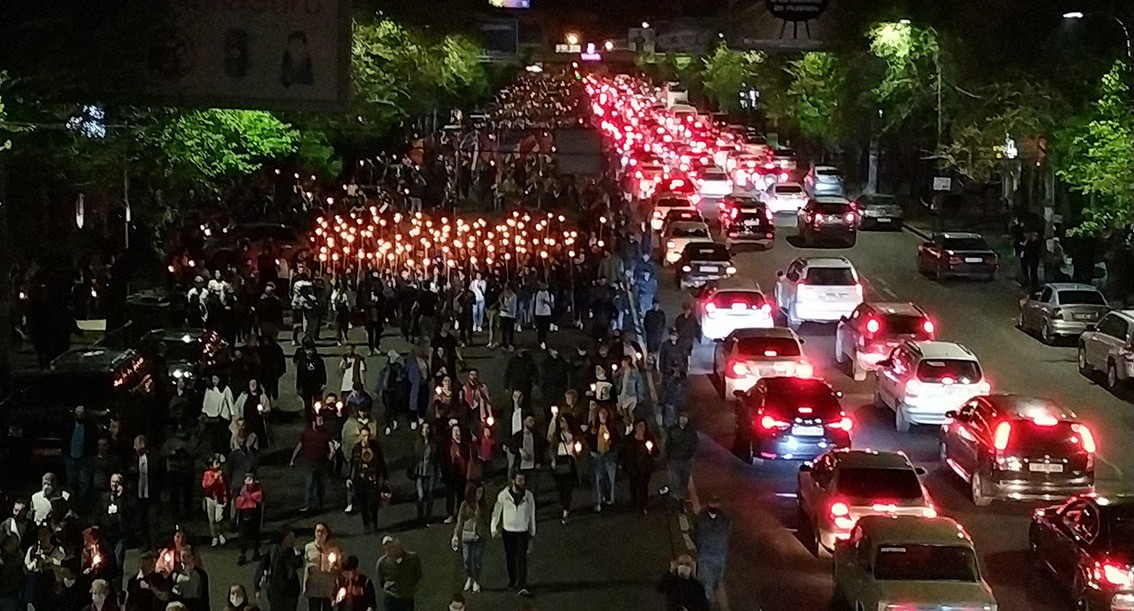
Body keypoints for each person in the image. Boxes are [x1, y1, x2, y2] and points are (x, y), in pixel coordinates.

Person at [491, 472, 536, 596]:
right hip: (508, 531)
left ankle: (522, 585)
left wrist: (532, 532)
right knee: (510, 557)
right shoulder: (503, 495)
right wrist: (494, 529)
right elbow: (497, 512)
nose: (522, 483)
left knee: (521, 558)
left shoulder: (529, 496)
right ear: (513, 481)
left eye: (523, 480)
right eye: (519, 480)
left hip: (522, 531)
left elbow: (531, 514)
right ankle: (513, 580)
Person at [341, 400, 381, 514]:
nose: (364, 413)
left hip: (370, 457)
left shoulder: (372, 422)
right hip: (355, 456)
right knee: (352, 479)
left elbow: (375, 437)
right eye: (361, 410)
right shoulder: (350, 423)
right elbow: (347, 439)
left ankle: (369, 501)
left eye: (366, 410)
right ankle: (350, 502)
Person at [290, 415, 334, 513]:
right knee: (309, 485)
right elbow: (300, 445)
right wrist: (293, 458)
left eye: (322, 420)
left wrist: (332, 452)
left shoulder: (326, 433)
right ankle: (307, 505)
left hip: (322, 464)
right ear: (314, 422)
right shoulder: (306, 433)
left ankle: (320, 504)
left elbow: (330, 444)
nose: (322, 423)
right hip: (309, 463)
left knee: (321, 485)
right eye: (320, 420)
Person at [349, 428, 389, 534]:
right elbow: (352, 463)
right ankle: (366, 524)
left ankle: (374, 523)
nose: (365, 438)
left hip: (373, 479)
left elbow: (381, 462)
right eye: (363, 435)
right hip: (360, 480)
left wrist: (384, 477)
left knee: (373, 503)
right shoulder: (356, 448)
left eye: (367, 435)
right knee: (363, 504)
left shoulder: (375, 447)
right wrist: (349, 477)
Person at [451, 482, 488, 594]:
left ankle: (476, 580)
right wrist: (456, 535)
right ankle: (469, 577)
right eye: (477, 492)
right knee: (466, 560)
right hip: (467, 536)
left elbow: (483, 520)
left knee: (477, 560)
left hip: (479, 536)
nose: (479, 495)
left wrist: (478, 508)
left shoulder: (483, 505)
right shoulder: (464, 505)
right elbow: (460, 521)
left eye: (481, 492)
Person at [694, 498, 730, 608]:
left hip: (720, 556)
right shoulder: (701, 518)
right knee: (707, 583)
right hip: (706, 556)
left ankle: (709, 601)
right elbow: (695, 533)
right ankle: (709, 604)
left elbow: (728, 534)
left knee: (716, 582)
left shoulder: (724, 519)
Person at [255, 528, 303, 611]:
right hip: (275, 588)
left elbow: (298, 564)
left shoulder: (293, 551)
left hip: (291, 589)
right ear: (283, 538)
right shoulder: (272, 551)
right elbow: (262, 567)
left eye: (294, 537)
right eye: (290, 537)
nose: (293, 540)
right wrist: (257, 587)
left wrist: (297, 552)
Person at [129, 435, 161, 551]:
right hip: (138, 495)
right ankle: (145, 544)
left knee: (153, 521)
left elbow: (160, 473)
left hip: (152, 495)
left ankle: (154, 545)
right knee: (141, 521)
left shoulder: (154, 458)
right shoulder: (133, 459)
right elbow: (130, 474)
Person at [547, 413, 580, 523]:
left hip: (570, 461)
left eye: (563, 421)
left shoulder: (574, 435)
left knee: (568, 487)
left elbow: (581, 447)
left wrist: (577, 452)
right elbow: (552, 448)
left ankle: (566, 508)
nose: (561, 423)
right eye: (560, 421)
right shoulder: (557, 436)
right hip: (560, 461)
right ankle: (564, 504)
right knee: (561, 487)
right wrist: (553, 460)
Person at [621, 419, 658, 515]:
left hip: (645, 468)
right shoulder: (629, 439)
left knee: (643, 487)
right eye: (639, 426)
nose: (641, 428)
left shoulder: (649, 438)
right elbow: (623, 453)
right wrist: (622, 465)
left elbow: (656, 453)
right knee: (633, 486)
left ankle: (642, 506)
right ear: (635, 427)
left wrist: (651, 450)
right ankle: (634, 503)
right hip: (633, 468)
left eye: (643, 426)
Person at [586, 405, 619, 512]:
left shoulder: (612, 426)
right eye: (601, 413)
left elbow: (617, 439)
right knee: (597, 479)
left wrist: (611, 443)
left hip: (609, 455)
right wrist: (592, 435)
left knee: (610, 478)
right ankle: (598, 501)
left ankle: (609, 498)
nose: (603, 415)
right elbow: (587, 440)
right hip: (597, 455)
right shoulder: (593, 426)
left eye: (605, 413)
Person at [375, 536, 422, 611]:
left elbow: (417, 575)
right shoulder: (382, 563)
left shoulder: (412, 558)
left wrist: (410, 588)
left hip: (407, 598)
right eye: (386, 549)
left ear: (398, 545)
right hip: (391, 598)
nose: (389, 552)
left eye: (391, 547)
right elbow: (381, 580)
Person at [407, 421, 440, 526]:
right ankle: (420, 517)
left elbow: (437, 458)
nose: (425, 431)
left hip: (430, 470)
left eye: (427, 428)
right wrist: (411, 470)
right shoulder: (418, 443)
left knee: (430, 494)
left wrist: (439, 471)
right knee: (420, 495)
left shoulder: (434, 443)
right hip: (419, 471)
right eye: (424, 428)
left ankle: (428, 517)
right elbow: (414, 458)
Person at [664, 411, 698, 509]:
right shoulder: (673, 430)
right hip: (675, 460)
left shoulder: (691, 431)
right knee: (675, 481)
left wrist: (691, 456)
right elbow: (668, 445)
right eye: (681, 417)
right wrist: (669, 457)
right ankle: (677, 500)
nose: (683, 420)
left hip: (686, 461)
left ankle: (680, 500)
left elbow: (694, 444)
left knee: (684, 481)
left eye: (685, 418)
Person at [304, 523, 342, 611]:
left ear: (327, 533)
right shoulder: (308, 548)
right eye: (318, 531)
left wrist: (333, 567)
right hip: (314, 588)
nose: (320, 534)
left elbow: (339, 568)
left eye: (322, 531)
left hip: (327, 589)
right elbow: (306, 567)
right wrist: (305, 587)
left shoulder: (334, 549)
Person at [440, 425, 474, 524]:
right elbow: (443, 459)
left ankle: (459, 513)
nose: (456, 433)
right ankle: (450, 514)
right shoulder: (448, 445)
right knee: (450, 495)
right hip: (450, 473)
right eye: (454, 431)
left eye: (458, 430)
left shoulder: (465, 444)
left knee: (461, 494)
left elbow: (470, 459)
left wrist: (469, 474)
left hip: (461, 473)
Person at [63, 405, 97, 502]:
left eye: (82, 414)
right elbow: (65, 441)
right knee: (71, 481)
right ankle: (71, 502)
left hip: (84, 459)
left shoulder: (89, 428)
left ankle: (82, 502)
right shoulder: (69, 427)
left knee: (84, 482)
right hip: (70, 458)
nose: (80, 416)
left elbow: (92, 442)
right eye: (78, 414)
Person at [235, 472, 264, 565]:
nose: (248, 482)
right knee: (243, 534)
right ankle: (242, 554)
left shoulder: (257, 489)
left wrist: (247, 496)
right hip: (244, 512)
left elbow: (258, 497)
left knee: (255, 533)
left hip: (254, 512)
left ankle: (256, 551)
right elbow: (238, 503)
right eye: (246, 479)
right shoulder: (241, 490)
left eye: (250, 480)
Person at [202, 375, 236, 453]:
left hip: (222, 417)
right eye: (213, 379)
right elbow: (205, 402)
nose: (214, 381)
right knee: (213, 437)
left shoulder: (225, 389)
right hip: (211, 417)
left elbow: (230, 402)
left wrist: (233, 415)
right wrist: (204, 412)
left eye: (216, 379)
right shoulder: (209, 389)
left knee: (222, 436)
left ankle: (223, 453)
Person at [201, 454, 229, 547]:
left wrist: (226, 497)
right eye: (216, 463)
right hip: (210, 499)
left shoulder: (221, 474)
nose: (218, 464)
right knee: (211, 519)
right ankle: (214, 536)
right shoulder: (207, 474)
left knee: (219, 518)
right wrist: (215, 478)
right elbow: (206, 486)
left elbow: (225, 486)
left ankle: (220, 533)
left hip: (220, 499)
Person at [379, 350, 409, 435]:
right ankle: (389, 425)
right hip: (388, 390)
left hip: (393, 390)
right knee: (389, 408)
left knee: (394, 407)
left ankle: (393, 423)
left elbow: (401, 376)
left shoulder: (395, 366)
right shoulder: (387, 366)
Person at [294, 338, 327, 412]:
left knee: (317, 405)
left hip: (317, 385)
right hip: (306, 386)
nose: (309, 352)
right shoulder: (302, 361)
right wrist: (298, 387)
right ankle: (308, 416)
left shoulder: (318, 360)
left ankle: (317, 416)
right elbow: (299, 375)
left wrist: (323, 383)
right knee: (307, 404)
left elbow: (323, 372)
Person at [172, 546, 209, 611]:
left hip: (196, 606)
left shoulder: (201, 574)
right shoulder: (177, 574)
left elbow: (204, 596)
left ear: (192, 557)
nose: (184, 559)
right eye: (182, 557)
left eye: (188, 556)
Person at [532, 281, 555, 349]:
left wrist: (547, 303)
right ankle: (541, 341)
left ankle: (543, 340)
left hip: (546, 314)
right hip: (538, 313)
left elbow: (552, 305)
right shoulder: (536, 294)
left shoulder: (550, 294)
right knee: (540, 328)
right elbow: (533, 303)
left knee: (544, 328)